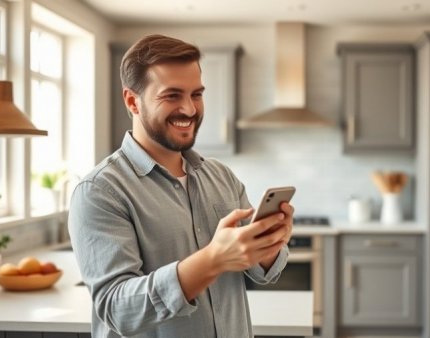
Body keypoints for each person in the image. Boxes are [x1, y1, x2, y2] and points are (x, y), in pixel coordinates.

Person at [68, 34, 294, 338]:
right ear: (132, 101)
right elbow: (117, 309)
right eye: (172, 95)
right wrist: (212, 260)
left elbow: (260, 271)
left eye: (196, 94)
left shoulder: (222, 177)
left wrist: (268, 245)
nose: (189, 109)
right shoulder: (100, 191)